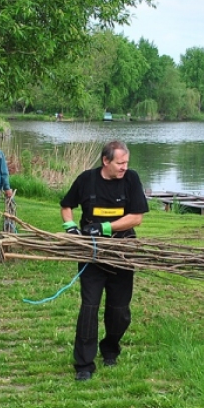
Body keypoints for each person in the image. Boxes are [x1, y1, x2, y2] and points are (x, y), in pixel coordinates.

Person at [60, 140, 149, 381]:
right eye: (120, 163)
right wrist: (70, 227)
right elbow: (67, 205)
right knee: (89, 308)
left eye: (126, 162)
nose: (124, 167)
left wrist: (104, 227)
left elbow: (136, 218)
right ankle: (84, 365)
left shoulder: (131, 180)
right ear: (106, 161)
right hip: (92, 254)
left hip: (122, 252)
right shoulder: (86, 180)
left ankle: (110, 347)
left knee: (119, 312)